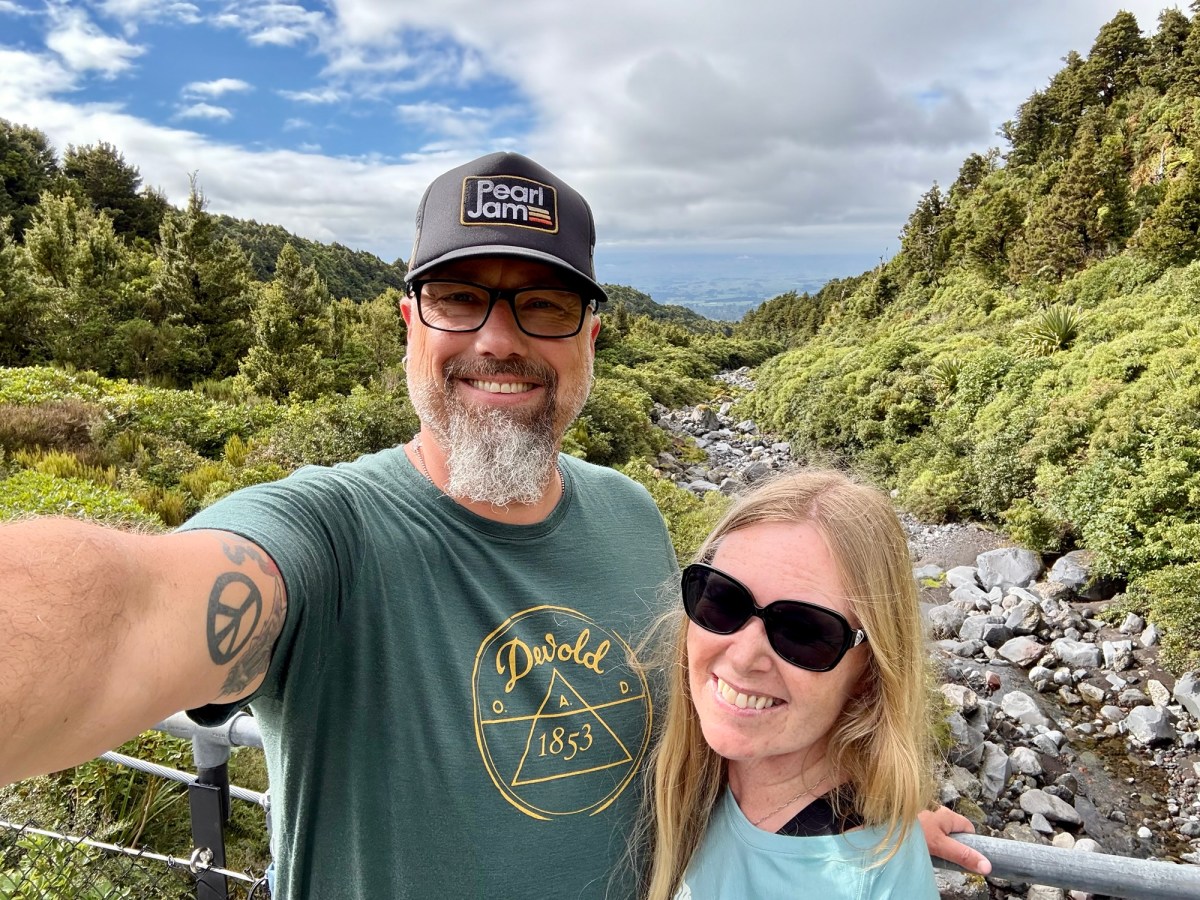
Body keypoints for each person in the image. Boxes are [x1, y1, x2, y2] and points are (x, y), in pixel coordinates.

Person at [0, 152, 986, 898]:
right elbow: (128, 614)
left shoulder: (634, 519)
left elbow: (689, 745)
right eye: (460, 298)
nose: (499, 340)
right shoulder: (328, 532)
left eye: (544, 306)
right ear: (409, 324)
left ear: (591, 337)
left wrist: (855, 836)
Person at [643, 470, 941, 899]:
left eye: (802, 631)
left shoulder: (864, 881)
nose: (744, 656)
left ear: (869, 672)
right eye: (722, 600)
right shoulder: (695, 777)